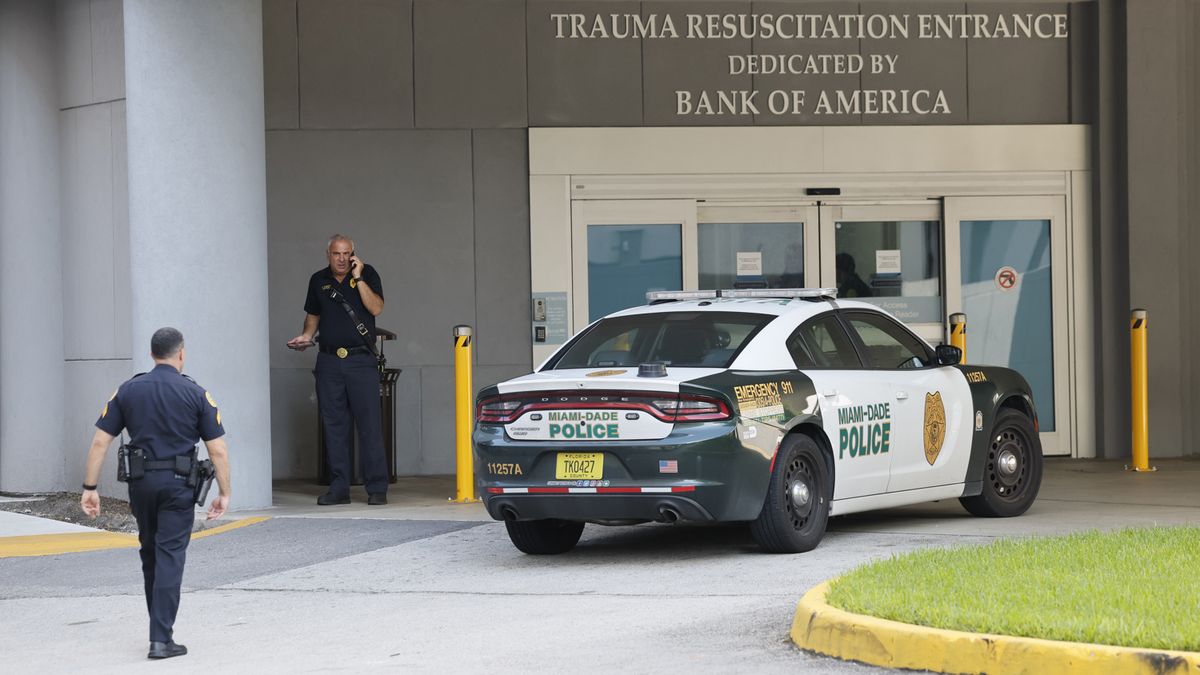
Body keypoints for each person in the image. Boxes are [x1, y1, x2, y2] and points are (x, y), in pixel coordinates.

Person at [79, 327, 231, 660]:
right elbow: (217, 449)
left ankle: (158, 630)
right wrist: (224, 492)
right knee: (170, 556)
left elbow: (100, 441)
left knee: (150, 553)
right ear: (181, 353)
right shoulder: (196, 394)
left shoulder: (128, 390)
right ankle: (161, 639)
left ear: (152, 355)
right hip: (179, 486)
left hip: (142, 485)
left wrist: (90, 488)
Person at [287, 234, 388, 505]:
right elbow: (313, 314)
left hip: (361, 361)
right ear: (328, 255)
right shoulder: (318, 280)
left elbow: (376, 307)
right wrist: (307, 336)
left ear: (353, 254)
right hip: (329, 361)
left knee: (369, 426)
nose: (341, 259)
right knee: (334, 426)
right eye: (336, 254)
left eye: (346, 254)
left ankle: (377, 488)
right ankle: (339, 488)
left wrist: (360, 278)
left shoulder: (368, 274)